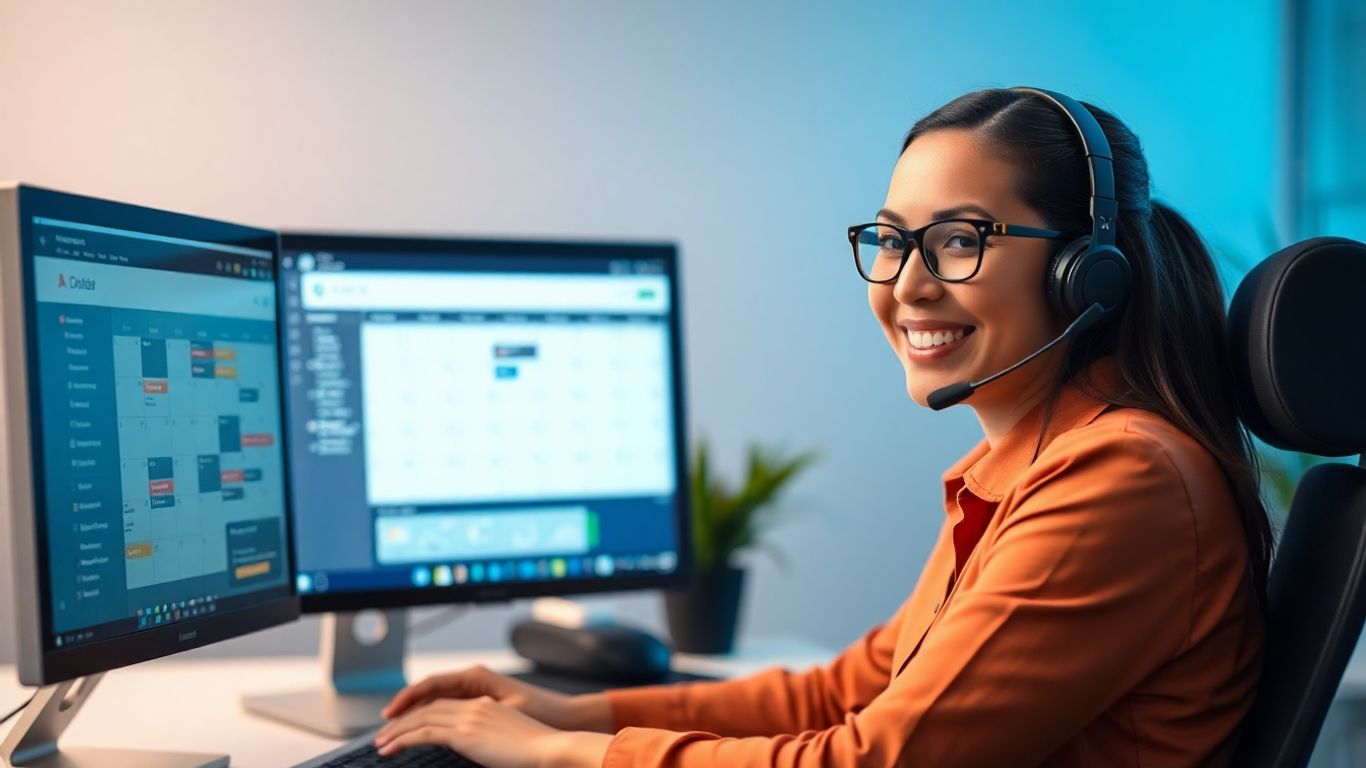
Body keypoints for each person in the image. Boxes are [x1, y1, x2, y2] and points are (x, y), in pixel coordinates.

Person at [369, 87, 1272, 767]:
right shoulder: (1025, 466)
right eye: (889, 240)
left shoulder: (1122, 482)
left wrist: (550, 754)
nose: (908, 284)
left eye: (959, 240)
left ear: (1087, 273)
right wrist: (561, 712)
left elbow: (872, 759)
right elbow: (848, 690)